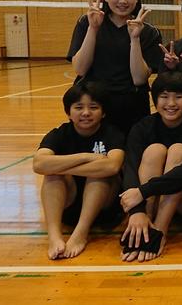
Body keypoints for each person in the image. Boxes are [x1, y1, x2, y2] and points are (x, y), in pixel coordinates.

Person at [118, 71, 182, 262]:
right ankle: (144, 223)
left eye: (178, 97)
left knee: (178, 150)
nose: (171, 103)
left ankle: (159, 230)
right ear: (155, 100)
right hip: (152, 200)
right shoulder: (142, 127)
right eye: (164, 97)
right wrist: (137, 211)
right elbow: (130, 167)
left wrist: (143, 191)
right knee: (154, 151)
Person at [33, 82, 125, 260]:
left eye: (93, 107)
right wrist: (86, 156)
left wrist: (63, 166)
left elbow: (112, 166)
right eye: (79, 107)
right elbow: (39, 164)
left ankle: (80, 234)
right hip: (69, 204)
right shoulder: (59, 134)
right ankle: (54, 236)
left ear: (103, 112)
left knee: (99, 176)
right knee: (52, 176)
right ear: (68, 112)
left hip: (104, 208)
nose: (86, 113)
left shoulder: (112, 134)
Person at [68, 0, 162, 135]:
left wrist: (134, 39)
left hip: (132, 105)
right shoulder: (86, 22)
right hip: (94, 105)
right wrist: (93, 28)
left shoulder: (149, 32)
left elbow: (139, 79)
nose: (122, 1)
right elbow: (80, 69)